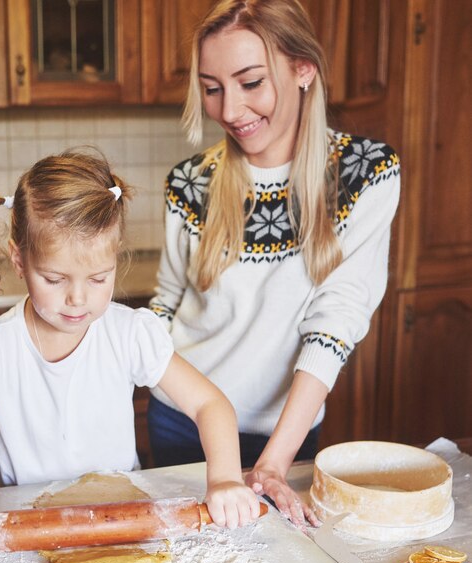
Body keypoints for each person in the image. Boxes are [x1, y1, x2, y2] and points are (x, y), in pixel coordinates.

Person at [0, 148, 260, 559]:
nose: (77, 299)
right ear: (19, 259)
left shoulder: (128, 334)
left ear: (115, 258)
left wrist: (226, 480)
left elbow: (209, 404)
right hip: (19, 532)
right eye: (54, 278)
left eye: (98, 278)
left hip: (119, 523)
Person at [147, 0, 401, 529]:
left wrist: (274, 464)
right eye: (212, 88)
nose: (230, 110)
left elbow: (337, 321)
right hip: (182, 423)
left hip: (285, 429)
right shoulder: (189, 183)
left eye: (251, 82)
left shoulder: (365, 174)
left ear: (303, 68)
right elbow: (165, 304)